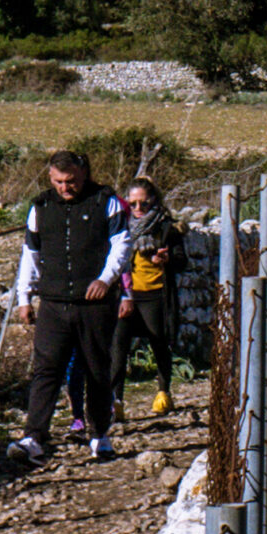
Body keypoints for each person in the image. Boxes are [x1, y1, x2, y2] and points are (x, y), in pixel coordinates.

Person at [8, 150, 130, 463]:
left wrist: (106, 279)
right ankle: (34, 438)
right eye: (59, 181)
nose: (66, 187)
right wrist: (24, 297)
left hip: (95, 304)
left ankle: (100, 435)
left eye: (71, 181)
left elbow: (122, 244)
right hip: (53, 303)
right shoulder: (41, 207)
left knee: (96, 369)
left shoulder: (106, 201)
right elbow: (30, 255)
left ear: (83, 175)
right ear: (51, 179)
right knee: (46, 369)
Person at [110, 177, 186, 421]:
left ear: (154, 201)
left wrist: (166, 260)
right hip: (126, 296)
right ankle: (116, 400)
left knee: (159, 343)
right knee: (118, 347)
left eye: (143, 203)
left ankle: (164, 392)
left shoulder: (167, 228)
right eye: (133, 204)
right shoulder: (121, 228)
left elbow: (181, 261)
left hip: (155, 295)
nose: (138, 209)